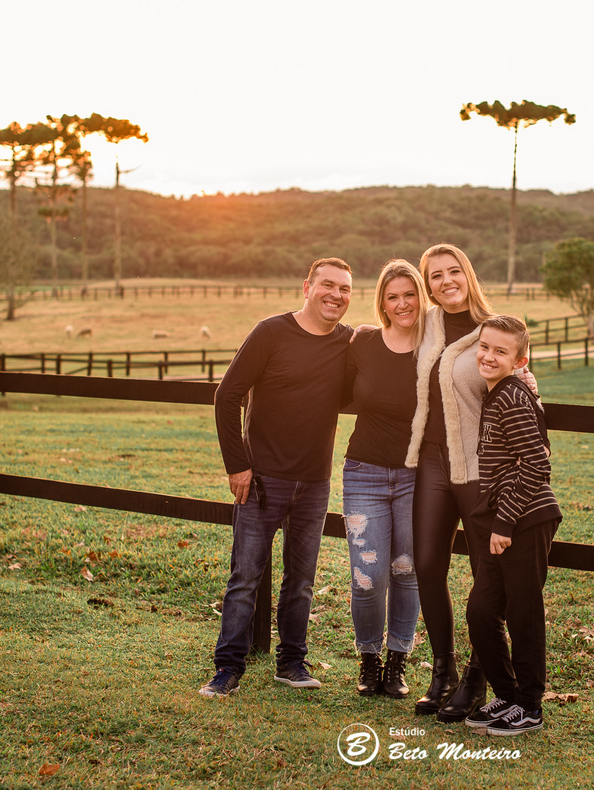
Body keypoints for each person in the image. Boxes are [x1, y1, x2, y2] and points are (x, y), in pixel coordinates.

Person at [200, 257, 354, 698]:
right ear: (306, 287)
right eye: (327, 285)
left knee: (301, 579)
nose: (335, 295)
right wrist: (238, 464)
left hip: (314, 482)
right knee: (245, 576)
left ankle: (291, 662)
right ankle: (227, 667)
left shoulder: (348, 343)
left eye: (344, 289)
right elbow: (226, 394)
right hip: (261, 480)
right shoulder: (270, 332)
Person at [404, 242, 501, 722]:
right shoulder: (428, 327)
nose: (446, 281)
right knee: (426, 564)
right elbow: (386, 332)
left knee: (487, 577)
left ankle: (478, 679)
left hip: (481, 469)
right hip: (432, 464)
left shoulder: (497, 331)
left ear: (468, 272)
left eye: (453, 271)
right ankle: (442, 671)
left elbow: (526, 395)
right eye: (435, 276)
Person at [463, 314, 561, 736]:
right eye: (484, 347)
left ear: (520, 359)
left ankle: (531, 706)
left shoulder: (510, 396)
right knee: (482, 611)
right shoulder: (500, 391)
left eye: (500, 351)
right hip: (503, 520)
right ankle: (506, 693)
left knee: (523, 612)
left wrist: (503, 523)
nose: (488, 356)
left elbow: (538, 463)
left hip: (526, 519)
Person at [341, 259, 427, 698]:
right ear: (383, 302)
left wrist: (524, 373)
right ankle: (368, 659)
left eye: (409, 294)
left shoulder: (436, 346)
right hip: (365, 473)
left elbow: (486, 362)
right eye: (392, 296)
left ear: (420, 297)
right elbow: (327, 381)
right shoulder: (364, 342)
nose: (402, 303)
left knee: (406, 570)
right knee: (367, 575)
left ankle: (397, 662)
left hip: (418, 476)